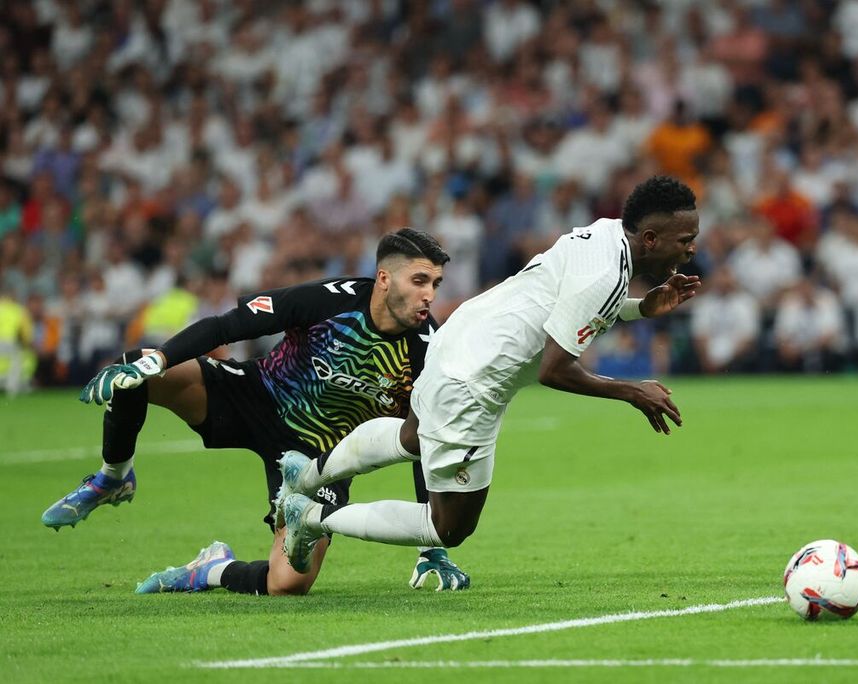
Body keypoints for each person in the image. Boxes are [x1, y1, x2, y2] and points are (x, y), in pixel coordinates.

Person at [275, 176, 702, 572]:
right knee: (448, 527)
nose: (691, 250)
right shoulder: (605, 275)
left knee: (412, 436)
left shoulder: (606, 233)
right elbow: (555, 369)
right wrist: (632, 391)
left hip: (460, 339)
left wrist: (642, 308)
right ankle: (310, 517)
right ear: (650, 238)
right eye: (685, 240)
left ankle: (306, 474)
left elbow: (573, 305)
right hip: (474, 383)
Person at [41, 229, 469, 595]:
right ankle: (112, 478)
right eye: (420, 281)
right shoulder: (326, 300)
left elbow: (423, 438)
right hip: (255, 396)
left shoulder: (426, 351)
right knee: (136, 367)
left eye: (435, 282)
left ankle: (209, 569)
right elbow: (227, 325)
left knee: (288, 584)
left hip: (319, 458)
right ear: (383, 279)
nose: (430, 295)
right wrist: (159, 360)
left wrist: (431, 546)